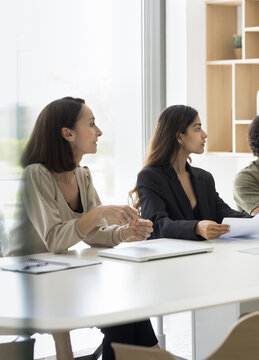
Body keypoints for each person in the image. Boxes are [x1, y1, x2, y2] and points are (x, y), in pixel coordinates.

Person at [7, 97, 157, 360]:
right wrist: (101, 212)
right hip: (26, 282)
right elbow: (55, 239)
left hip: (59, 276)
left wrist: (126, 233)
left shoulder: (82, 175)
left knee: (128, 309)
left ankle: (152, 353)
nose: (99, 132)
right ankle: (154, 354)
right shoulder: (36, 175)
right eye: (91, 124)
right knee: (122, 315)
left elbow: (95, 233)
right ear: (67, 133)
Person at [131, 105, 259, 240]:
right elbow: (156, 224)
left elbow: (223, 213)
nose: (205, 134)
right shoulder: (150, 177)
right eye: (197, 129)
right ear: (179, 137)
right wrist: (196, 228)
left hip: (205, 256)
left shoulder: (203, 178)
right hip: (170, 261)